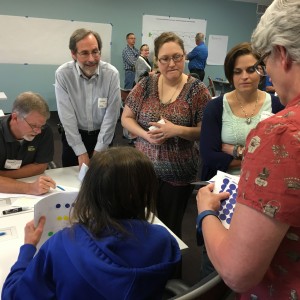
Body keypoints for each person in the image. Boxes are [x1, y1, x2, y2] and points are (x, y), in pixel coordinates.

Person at [196, 0, 300, 298]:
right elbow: (209, 154)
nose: (263, 72)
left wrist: (205, 212)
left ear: (281, 53)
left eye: (262, 63)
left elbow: (237, 271)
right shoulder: (218, 107)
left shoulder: (280, 131)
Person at [2, 146, 181, 300]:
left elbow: (13, 295)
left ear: (90, 190)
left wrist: (27, 249)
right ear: (146, 191)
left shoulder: (62, 245)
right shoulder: (165, 241)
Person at [121, 31, 211, 238]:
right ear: (156, 60)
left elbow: (205, 133)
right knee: (141, 226)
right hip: (142, 172)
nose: (172, 63)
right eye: (165, 58)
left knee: (169, 231)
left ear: (184, 56)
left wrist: (176, 130)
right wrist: (144, 134)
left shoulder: (197, 90)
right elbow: (126, 118)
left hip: (177, 176)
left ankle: (169, 269)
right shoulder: (145, 84)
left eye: (177, 57)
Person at [200, 42, 284, 181]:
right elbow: (210, 157)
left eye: (251, 70)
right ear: (230, 75)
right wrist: (260, 158)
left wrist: (236, 151)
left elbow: (281, 155)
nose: (244, 76)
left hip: (265, 184)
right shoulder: (215, 107)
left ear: (262, 71)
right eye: (237, 71)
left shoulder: (278, 106)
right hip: (223, 185)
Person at [55, 28, 121, 168]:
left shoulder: (111, 74)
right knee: (72, 181)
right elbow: (67, 116)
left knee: (104, 181)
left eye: (95, 52)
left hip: (103, 136)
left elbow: (112, 115)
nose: (91, 59)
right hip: (74, 137)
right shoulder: (63, 74)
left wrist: (100, 150)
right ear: (73, 54)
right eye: (84, 53)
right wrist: (80, 151)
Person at [0, 92, 56, 195]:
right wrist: (29, 188)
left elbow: (40, 166)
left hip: (32, 180)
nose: (38, 131)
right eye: (33, 125)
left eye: (41, 125)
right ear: (15, 117)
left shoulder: (45, 131)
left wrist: (4, 176)